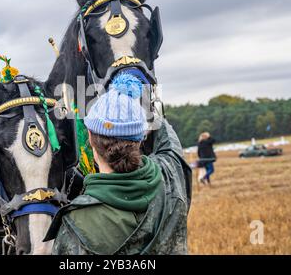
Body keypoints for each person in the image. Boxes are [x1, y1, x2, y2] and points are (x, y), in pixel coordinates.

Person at [44, 73, 192, 254]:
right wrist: (148, 98)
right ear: (140, 139)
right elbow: (168, 140)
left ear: (89, 137)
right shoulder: (170, 174)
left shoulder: (76, 222)